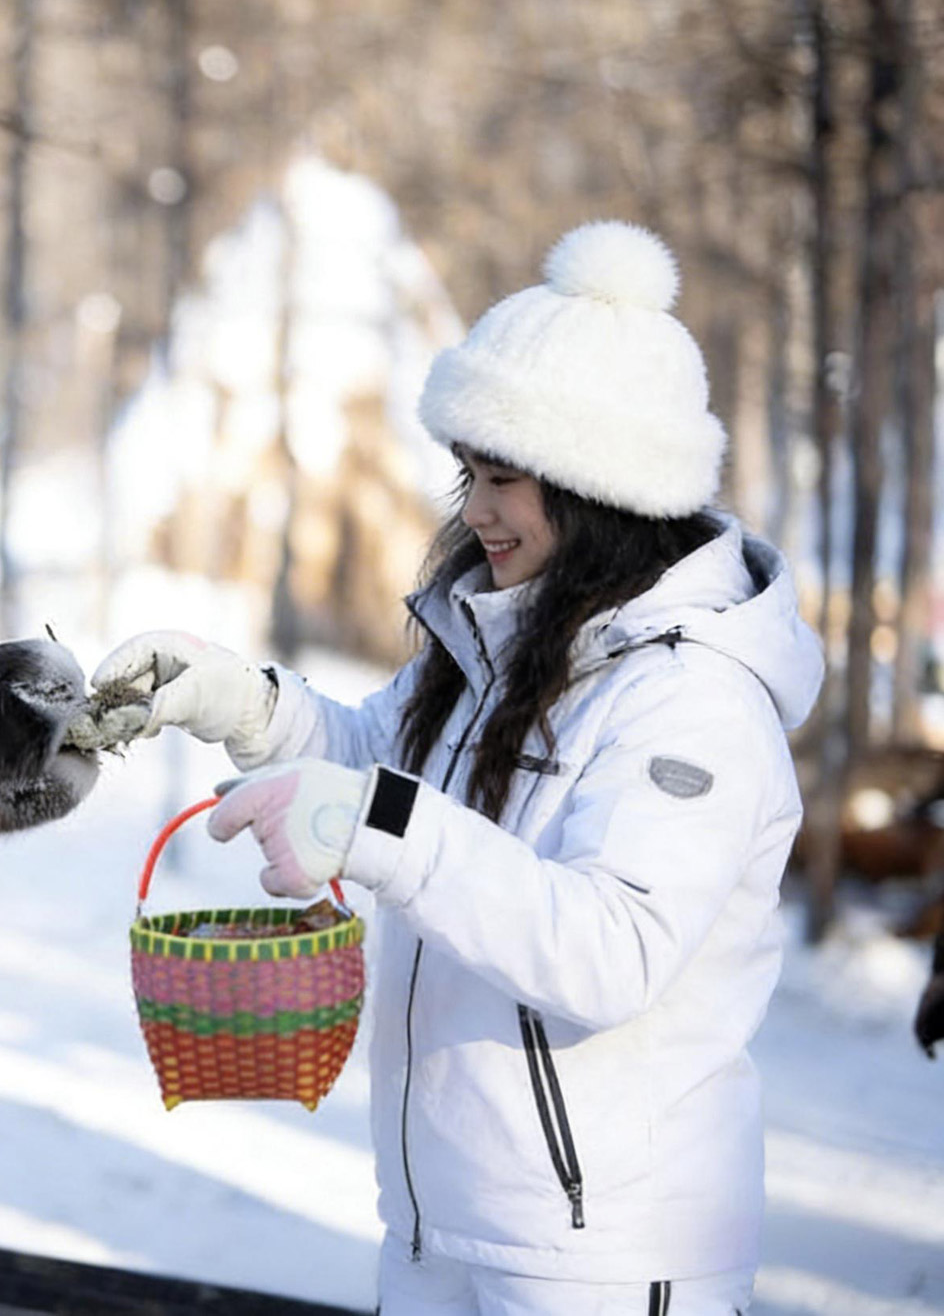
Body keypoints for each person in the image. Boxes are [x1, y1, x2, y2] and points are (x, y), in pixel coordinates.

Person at [95, 221, 822, 1316]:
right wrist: (241, 700)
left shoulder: (693, 697)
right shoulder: (506, 640)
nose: (475, 511)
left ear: (599, 489)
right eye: (468, 474)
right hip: (441, 1229)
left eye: (505, 481)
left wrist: (374, 825)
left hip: (602, 1260)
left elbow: (609, 948)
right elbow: (376, 764)